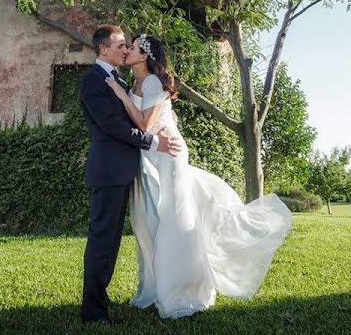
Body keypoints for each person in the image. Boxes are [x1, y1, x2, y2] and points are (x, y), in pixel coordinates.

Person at [105, 34, 293, 319]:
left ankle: (182, 291)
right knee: (151, 221)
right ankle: (155, 288)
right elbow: (158, 118)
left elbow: (145, 124)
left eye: (131, 47)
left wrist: (121, 98)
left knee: (174, 220)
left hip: (168, 157)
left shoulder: (153, 82)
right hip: (152, 156)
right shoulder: (138, 82)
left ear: (144, 55)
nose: (127, 51)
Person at [79, 25, 182, 325]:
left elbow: (145, 113)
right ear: (103, 49)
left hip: (126, 170)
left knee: (112, 242)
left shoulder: (118, 79)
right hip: (110, 171)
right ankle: (93, 311)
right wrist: (152, 141)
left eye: (129, 45)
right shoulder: (94, 83)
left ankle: (101, 299)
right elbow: (112, 126)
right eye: (121, 44)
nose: (125, 49)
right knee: (102, 240)